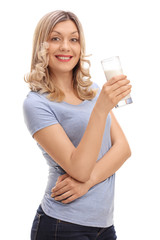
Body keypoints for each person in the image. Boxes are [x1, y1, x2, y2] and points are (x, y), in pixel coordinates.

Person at [23, 10, 132, 240]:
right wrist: (101, 109)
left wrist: (88, 183)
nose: (66, 46)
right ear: (42, 47)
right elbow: (78, 168)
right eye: (55, 38)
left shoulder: (91, 91)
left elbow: (122, 148)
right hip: (62, 224)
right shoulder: (36, 103)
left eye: (73, 39)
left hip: (104, 226)